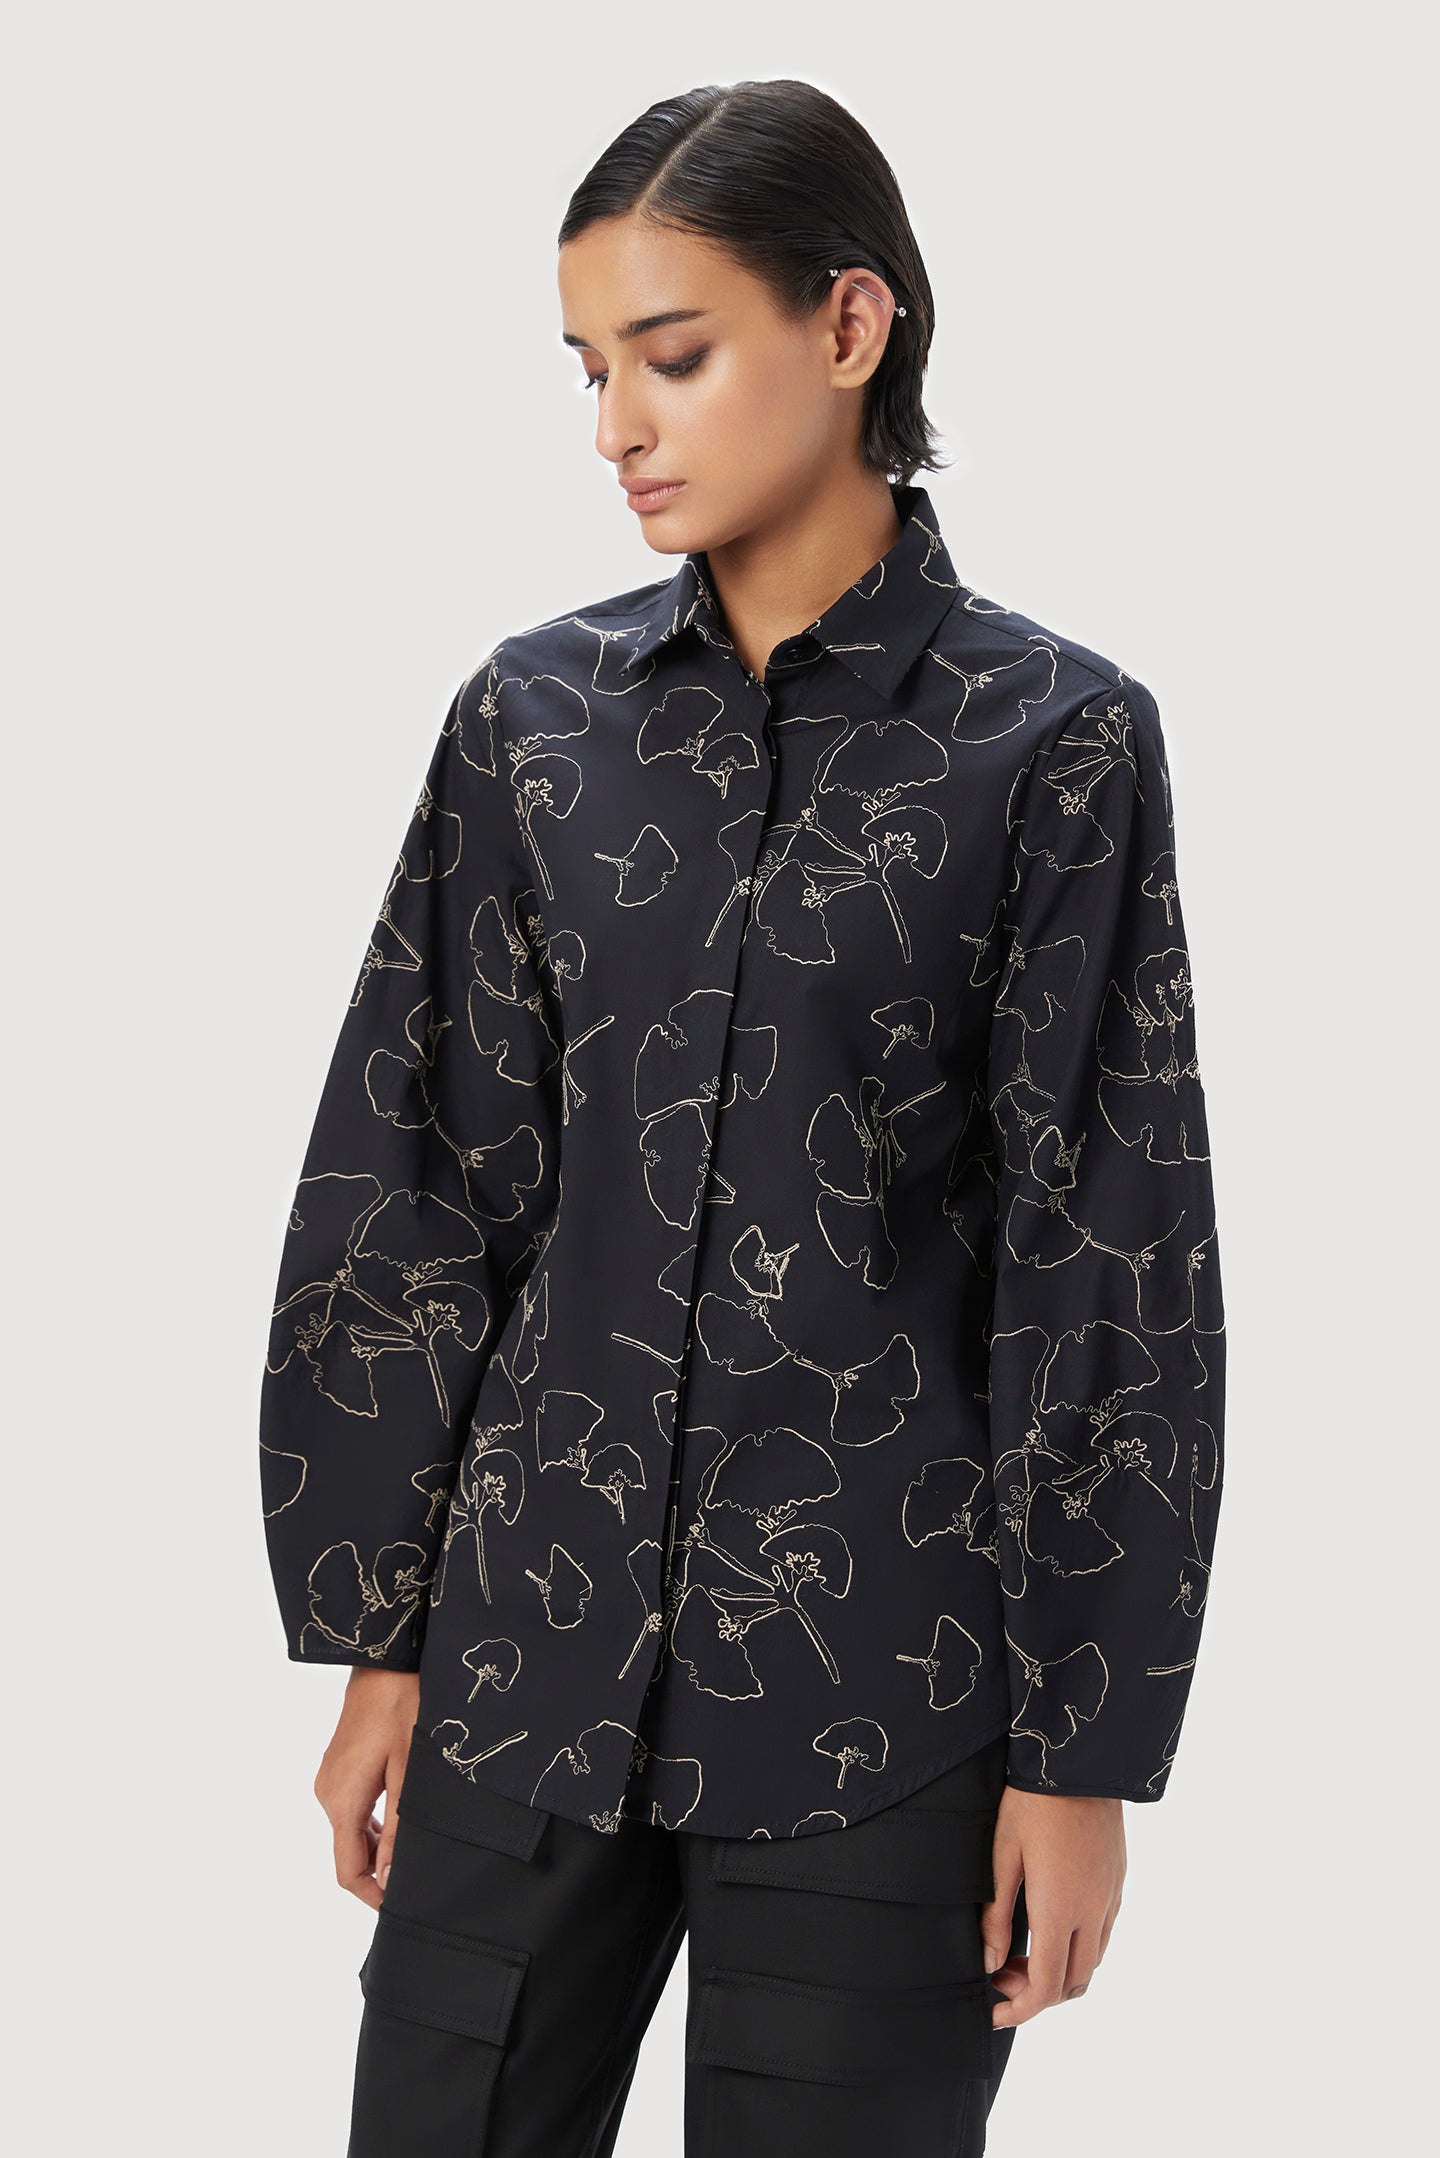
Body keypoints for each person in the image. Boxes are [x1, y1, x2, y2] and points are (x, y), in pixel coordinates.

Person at [258, 76, 1226, 2158]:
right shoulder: (531, 722)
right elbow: (421, 1179)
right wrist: (377, 1635)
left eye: (672, 355)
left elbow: (1105, 1253)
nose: (617, 424)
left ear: (851, 325)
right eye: (589, 368)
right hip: (522, 1657)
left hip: (888, 1689)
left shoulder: (1054, 740)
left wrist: (1082, 1751)